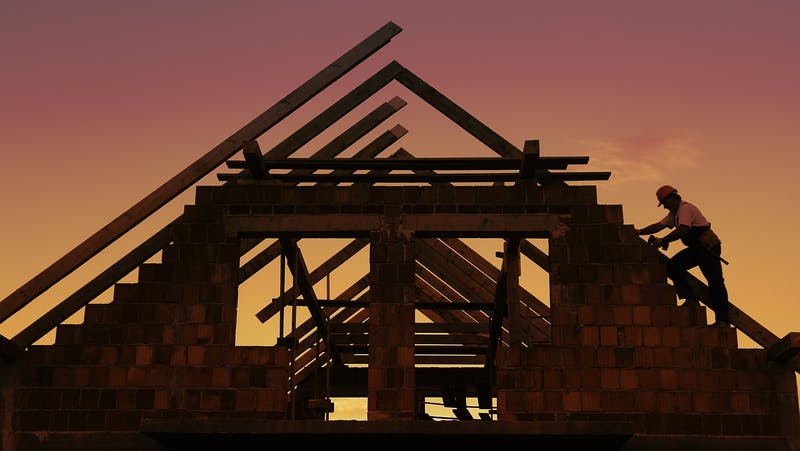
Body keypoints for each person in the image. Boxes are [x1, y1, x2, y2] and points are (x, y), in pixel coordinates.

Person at [634, 185, 731, 327]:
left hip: (708, 248)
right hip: (697, 249)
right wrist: (639, 232)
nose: (665, 207)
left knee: (715, 282)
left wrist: (663, 240)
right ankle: (691, 300)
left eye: (665, 203)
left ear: (672, 198)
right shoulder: (674, 214)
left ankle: (722, 321)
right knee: (673, 266)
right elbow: (658, 226)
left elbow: (682, 230)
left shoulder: (685, 209)